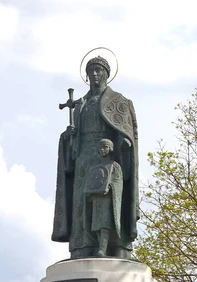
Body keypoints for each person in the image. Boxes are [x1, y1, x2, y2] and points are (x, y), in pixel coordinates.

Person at [53, 55, 139, 259]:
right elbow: (74, 139)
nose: (94, 74)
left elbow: (125, 132)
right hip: (84, 160)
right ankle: (83, 247)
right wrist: (68, 139)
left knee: (108, 204)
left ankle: (116, 246)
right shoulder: (81, 103)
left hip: (106, 159)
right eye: (91, 71)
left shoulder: (119, 102)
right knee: (81, 204)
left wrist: (124, 144)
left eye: (99, 70)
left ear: (107, 74)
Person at [84, 139, 123, 257]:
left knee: (104, 224)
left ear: (110, 148)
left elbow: (118, 181)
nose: (102, 150)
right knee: (96, 224)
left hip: (107, 199)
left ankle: (102, 249)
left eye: (105, 147)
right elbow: (91, 181)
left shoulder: (114, 165)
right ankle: (100, 248)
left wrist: (110, 188)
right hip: (97, 198)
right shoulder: (95, 167)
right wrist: (90, 191)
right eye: (100, 147)